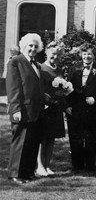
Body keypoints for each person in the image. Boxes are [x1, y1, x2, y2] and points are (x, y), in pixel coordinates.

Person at [6, 33, 44, 184]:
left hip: (36, 110)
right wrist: (15, 109)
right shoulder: (16, 62)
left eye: (36, 46)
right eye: (30, 46)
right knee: (20, 142)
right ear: (23, 46)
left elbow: (36, 86)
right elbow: (13, 87)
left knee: (32, 141)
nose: (33, 49)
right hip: (22, 109)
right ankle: (15, 173)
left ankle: (28, 172)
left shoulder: (37, 65)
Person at [66, 43, 96, 172]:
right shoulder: (74, 68)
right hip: (76, 108)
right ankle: (77, 165)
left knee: (91, 137)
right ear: (81, 55)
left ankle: (90, 165)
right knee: (76, 137)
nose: (87, 56)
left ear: (94, 55)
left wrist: (95, 99)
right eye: (84, 54)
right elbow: (67, 88)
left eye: (90, 54)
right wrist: (67, 106)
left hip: (93, 109)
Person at [36, 41, 67, 177]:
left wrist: (63, 92)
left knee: (52, 138)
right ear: (47, 53)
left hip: (56, 107)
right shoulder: (40, 68)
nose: (55, 57)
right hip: (44, 107)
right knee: (42, 137)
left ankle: (47, 165)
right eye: (53, 54)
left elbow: (61, 88)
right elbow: (38, 88)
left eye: (58, 55)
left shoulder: (59, 70)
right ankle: (40, 166)